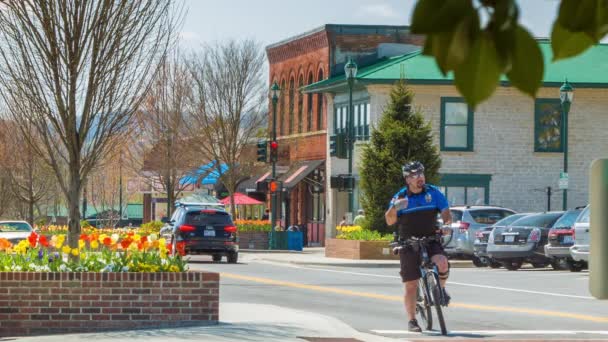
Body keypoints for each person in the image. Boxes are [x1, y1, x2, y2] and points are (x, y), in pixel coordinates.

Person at [384, 161, 452, 333]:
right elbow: (389, 220)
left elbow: (446, 213)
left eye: (421, 174)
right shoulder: (401, 196)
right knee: (411, 284)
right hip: (408, 242)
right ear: (407, 179)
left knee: (443, 263)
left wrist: (447, 225)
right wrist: (394, 208)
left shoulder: (433, 192)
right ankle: (412, 320)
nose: (419, 178)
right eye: (414, 176)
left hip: (430, 238)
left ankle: (441, 290)